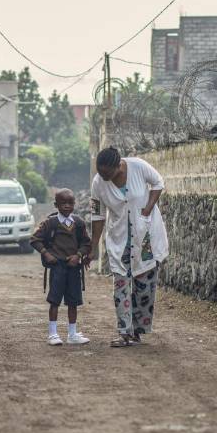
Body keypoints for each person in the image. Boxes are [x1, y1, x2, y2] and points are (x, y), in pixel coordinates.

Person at [89, 147, 169, 348]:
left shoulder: (138, 166)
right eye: (100, 172)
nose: (103, 177)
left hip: (145, 236)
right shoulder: (98, 183)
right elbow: (97, 215)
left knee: (145, 284)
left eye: (107, 173)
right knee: (120, 284)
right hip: (120, 239)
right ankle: (124, 332)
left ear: (119, 166)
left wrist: (148, 208)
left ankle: (138, 331)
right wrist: (93, 246)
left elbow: (158, 182)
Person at [30, 189, 92, 345]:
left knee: (73, 301)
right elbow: (34, 239)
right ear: (56, 204)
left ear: (74, 204)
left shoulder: (78, 223)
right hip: (57, 267)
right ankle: (53, 334)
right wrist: (46, 253)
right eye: (63, 203)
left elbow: (86, 243)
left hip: (74, 268)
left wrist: (78, 255)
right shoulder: (50, 223)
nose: (67, 206)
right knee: (55, 301)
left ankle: (72, 334)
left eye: (70, 203)